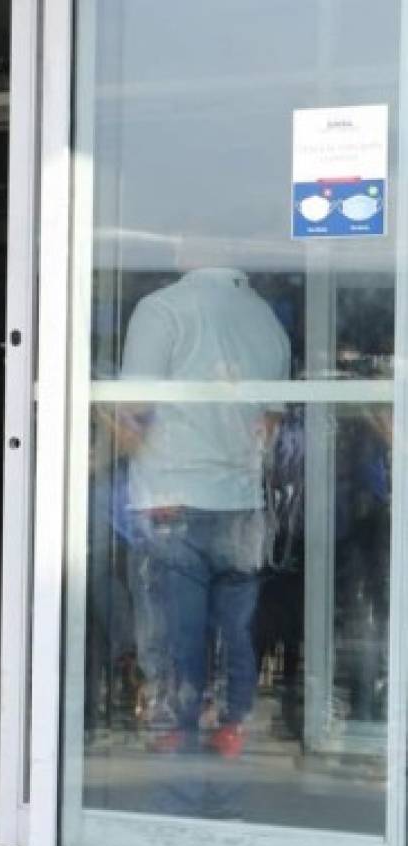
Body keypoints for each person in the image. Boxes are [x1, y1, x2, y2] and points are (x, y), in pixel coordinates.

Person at [116, 238, 290, 759]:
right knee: (233, 627)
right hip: (240, 499)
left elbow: (133, 409)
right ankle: (232, 727)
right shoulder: (266, 321)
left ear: (189, 246)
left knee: (173, 630)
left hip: (172, 494)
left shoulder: (162, 309)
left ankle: (176, 731)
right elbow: (271, 423)